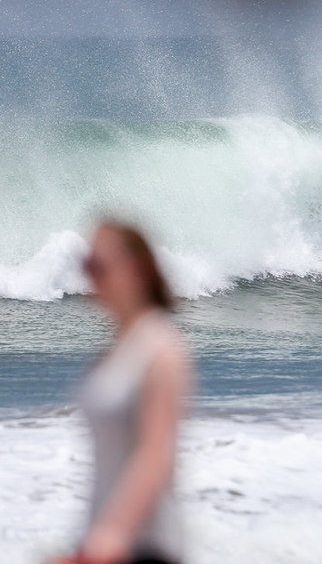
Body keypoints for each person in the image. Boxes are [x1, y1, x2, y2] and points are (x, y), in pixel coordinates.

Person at [57, 222, 191, 564]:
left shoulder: (161, 348)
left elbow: (156, 453)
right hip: (106, 541)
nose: (91, 278)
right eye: (87, 267)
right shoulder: (113, 351)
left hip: (146, 546)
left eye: (99, 267)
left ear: (137, 269)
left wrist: (112, 532)